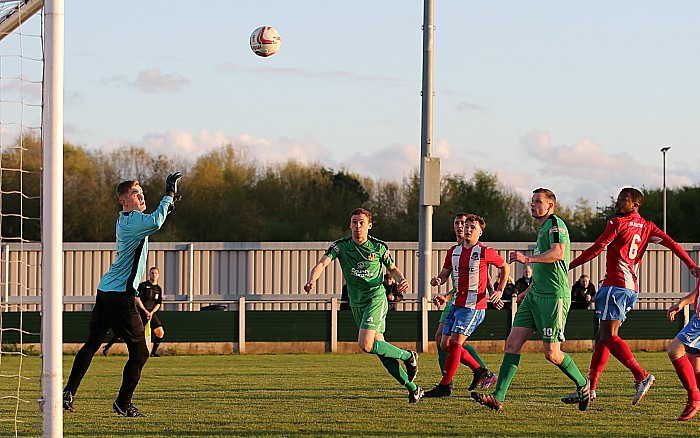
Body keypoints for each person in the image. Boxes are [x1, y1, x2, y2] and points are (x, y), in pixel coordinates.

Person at [564, 187, 700, 406]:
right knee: (603, 337)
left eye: (623, 200)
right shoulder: (648, 227)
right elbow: (672, 243)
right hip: (630, 289)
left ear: (635, 204)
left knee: (608, 336)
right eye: (617, 199)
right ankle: (591, 387)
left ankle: (641, 375)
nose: (618, 203)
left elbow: (598, 247)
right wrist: (690, 264)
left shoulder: (616, 223)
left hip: (614, 286)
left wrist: (568, 266)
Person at [63, 173, 181, 417]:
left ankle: (67, 393)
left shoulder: (126, 220)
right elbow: (157, 222)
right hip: (120, 296)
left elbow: (154, 219)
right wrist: (168, 195)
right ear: (123, 201)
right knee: (140, 353)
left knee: (93, 343)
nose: (141, 197)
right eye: (135, 194)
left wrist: (168, 205)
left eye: (142, 194)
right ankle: (122, 403)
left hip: (106, 290)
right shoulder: (134, 221)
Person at [472, 188, 590, 412]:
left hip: (554, 297)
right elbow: (547, 265)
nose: (533, 205)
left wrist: (527, 258)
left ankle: (584, 385)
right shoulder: (542, 228)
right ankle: (498, 397)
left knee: (552, 354)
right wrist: (530, 289)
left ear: (550, 206)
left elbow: (558, 253)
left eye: (538, 201)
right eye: (532, 201)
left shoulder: (555, 225)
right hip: (535, 296)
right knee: (513, 343)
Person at [303, 208, 422, 403]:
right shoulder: (340, 246)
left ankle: (408, 355)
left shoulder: (378, 247)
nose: (358, 226)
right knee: (380, 349)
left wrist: (401, 279)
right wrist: (312, 280)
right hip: (356, 302)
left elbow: (391, 268)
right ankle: (413, 388)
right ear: (350, 225)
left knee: (365, 344)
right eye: (354, 222)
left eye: (361, 222)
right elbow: (322, 264)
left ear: (369, 225)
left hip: (375, 298)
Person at [424, 213, 506, 398]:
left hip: (473, 307)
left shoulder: (485, 251)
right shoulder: (454, 251)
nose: (467, 229)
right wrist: (439, 280)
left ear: (480, 232)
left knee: (454, 344)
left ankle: (445, 386)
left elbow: (504, 267)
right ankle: (479, 370)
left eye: (471, 227)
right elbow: (445, 275)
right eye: (465, 226)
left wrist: (498, 290)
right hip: (456, 304)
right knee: (444, 343)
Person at [102, 266, 166, 357]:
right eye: (152, 273)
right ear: (149, 274)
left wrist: (151, 312)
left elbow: (158, 303)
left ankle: (153, 353)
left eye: (155, 273)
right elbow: (137, 299)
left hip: (150, 314)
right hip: (141, 312)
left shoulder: (158, 289)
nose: (154, 275)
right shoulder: (143, 285)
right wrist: (145, 310)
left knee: (160, 332)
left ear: (158, 275)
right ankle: (107, 347)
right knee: (127, 331)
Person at [667, 278, 700, 421]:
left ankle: (694, 400)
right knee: (695, 367)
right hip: (697, 318)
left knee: (675, 350)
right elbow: (698, 291)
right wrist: (682, 303)